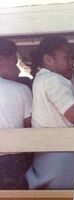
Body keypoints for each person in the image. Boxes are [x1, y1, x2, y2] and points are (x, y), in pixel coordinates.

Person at [26, 35, 74, 190]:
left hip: (46, 158)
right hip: (62, 159)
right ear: (48, 60)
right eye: (67, 57)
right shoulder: (53, 80)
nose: (72, 63)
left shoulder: (42, 79)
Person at [0, 38, 32, 190]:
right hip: (12, 161)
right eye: (14, 63)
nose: (19, 70)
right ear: (1, 62)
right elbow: (29, 127)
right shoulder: (21, 90)